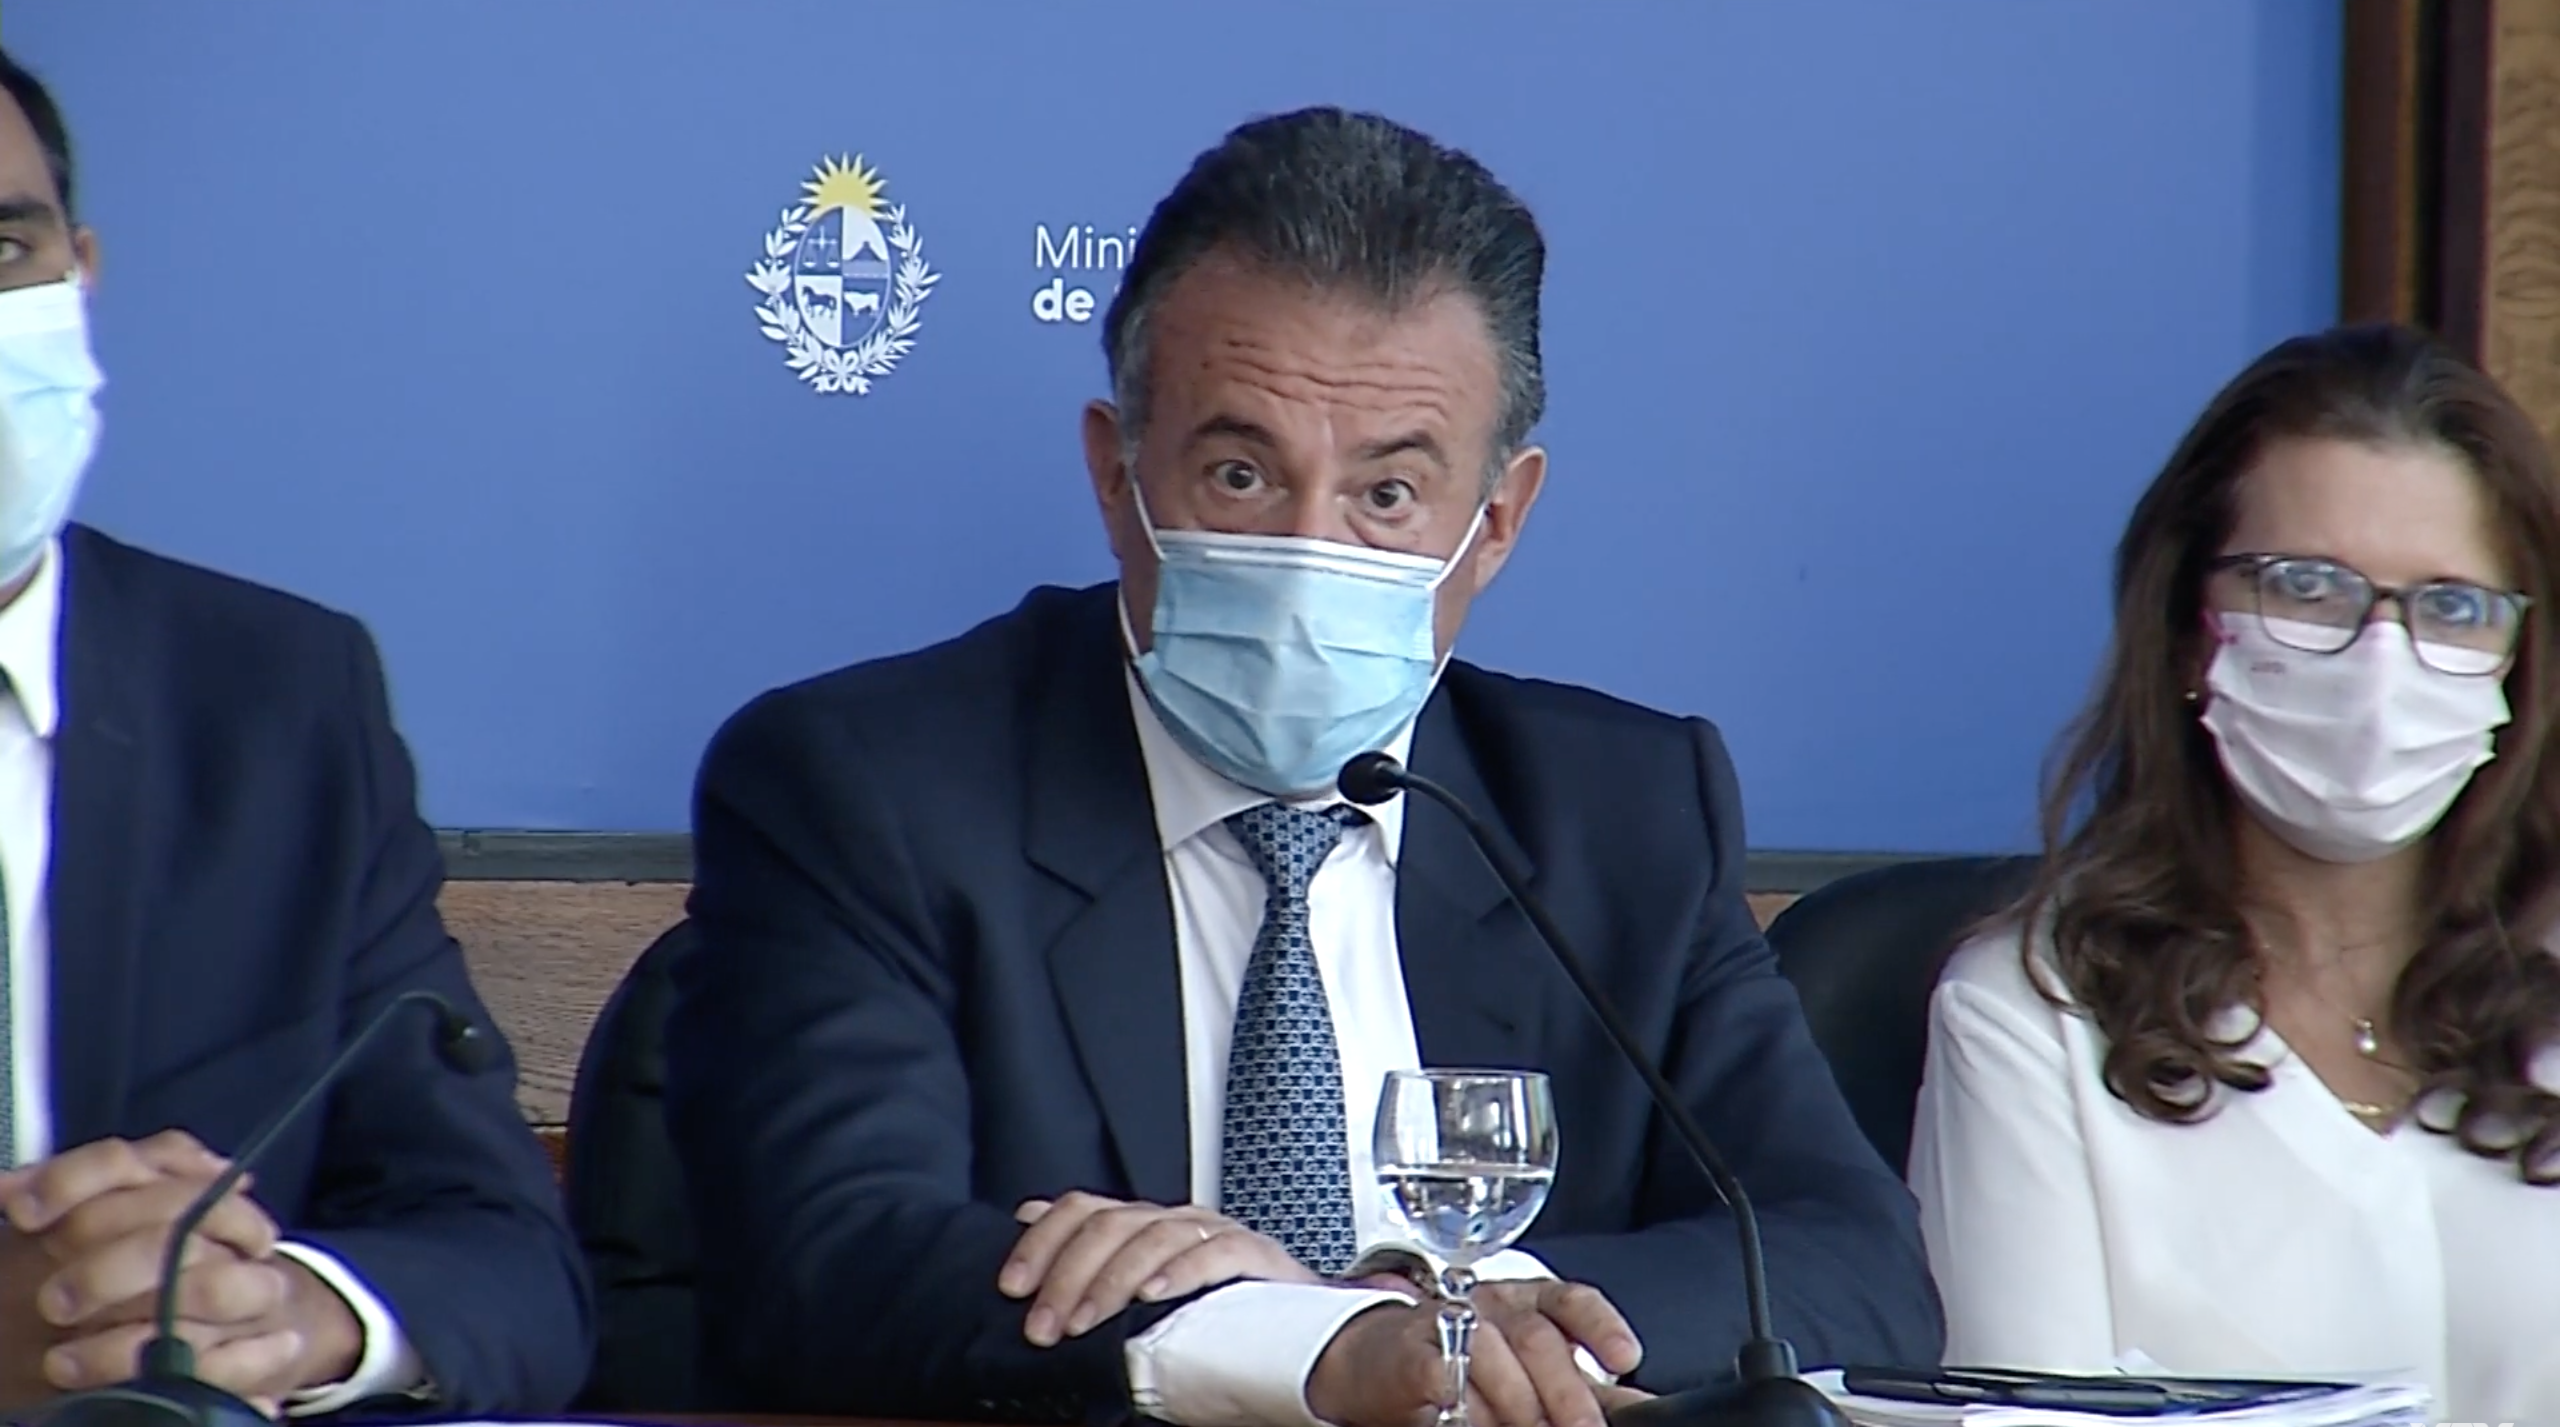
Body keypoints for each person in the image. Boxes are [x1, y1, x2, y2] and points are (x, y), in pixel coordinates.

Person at [665, 105, 1940, 1427]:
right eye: (1238, 473)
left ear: (1496, 521)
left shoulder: (1621, 813)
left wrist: (1446, 1313)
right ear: (1115, 472)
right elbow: (826, 1262)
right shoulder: (866, 787)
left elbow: (1851, 1263)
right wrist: (1301, 1345)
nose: (1303, 549)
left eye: (1386, 495)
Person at [0, 49, 591, 1417]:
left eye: (3, 249)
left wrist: (294, 1314)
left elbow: (504, 1257)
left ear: (82, 272)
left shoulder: (277, 696)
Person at [1909, 324, 2560, 1420]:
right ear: (2185, 631)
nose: (2381, 660)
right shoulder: (2030, 1017)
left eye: (2451, 605)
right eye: (2307, 587)